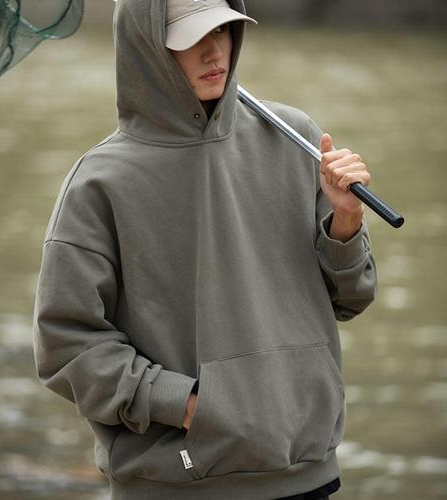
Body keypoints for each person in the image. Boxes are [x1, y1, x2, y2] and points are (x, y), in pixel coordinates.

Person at [32, 0, 377, 499]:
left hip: (308, 472)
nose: (214, 51)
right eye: (190, 37)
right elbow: (65, 345)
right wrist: (189, 404)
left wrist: (346, 220)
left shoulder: (296, 138)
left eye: (223, 30)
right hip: (178, 482)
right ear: (147, 48)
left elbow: (351, 298)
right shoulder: (100, 182)